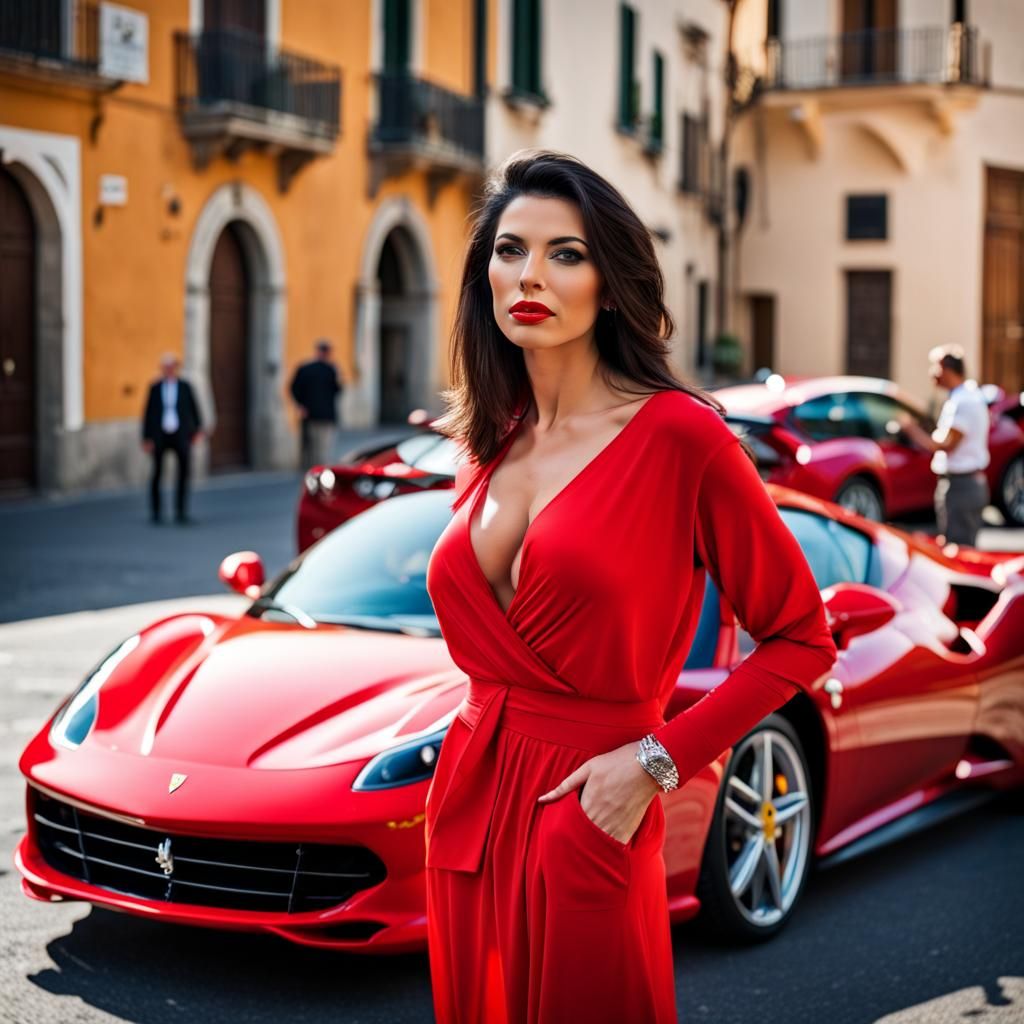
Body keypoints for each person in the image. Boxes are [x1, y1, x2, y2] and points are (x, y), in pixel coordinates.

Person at [422, 150, 839, 1023]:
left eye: (565, 253)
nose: (529, 275)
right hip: (470, 801)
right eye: (509, 250)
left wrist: (656, 765)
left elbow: (803, 637)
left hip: (593, 803)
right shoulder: (489, 438)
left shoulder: (682, 439)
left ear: (611, 284)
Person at [897, 344, 991, 548]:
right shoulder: (963, 397)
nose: (932, 374)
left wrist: (911, 429)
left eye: (936, 368)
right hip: (960, 484)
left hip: (962, 486)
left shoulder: (964, 401)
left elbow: (946, 445)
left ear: (947, 371)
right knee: (954, 548)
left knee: (960, 553)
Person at [141, 353, 203, 524]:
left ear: (176, 368)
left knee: (183, 473)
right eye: (166, 367)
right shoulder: (155, 387)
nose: (169, 370)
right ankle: (156, 512)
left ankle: (181, 512)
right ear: (162, 369)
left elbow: (194, 409)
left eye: (172, 366)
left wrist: (197, 430)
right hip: (160, 435)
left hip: (180, 435)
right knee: (157, 473)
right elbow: (148, 414)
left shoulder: (185, 387)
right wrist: (146, 438)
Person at [289, 339, 342, 469]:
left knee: (314, 447)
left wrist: (300, 405)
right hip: (324, 415)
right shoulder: (330, 370)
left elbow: (294, 388)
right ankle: (319, 470)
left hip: (313, 414)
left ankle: (314, 469)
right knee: (322, 447)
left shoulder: (306, 368)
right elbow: (338, 390)